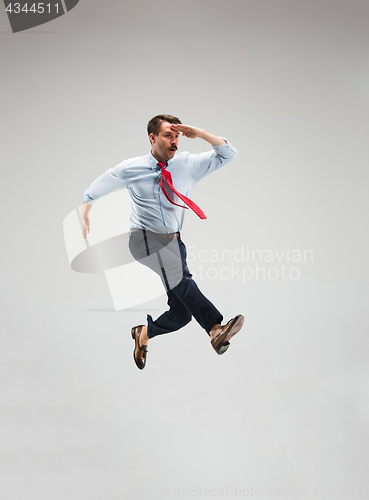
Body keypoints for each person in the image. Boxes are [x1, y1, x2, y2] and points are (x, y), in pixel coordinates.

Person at [81, 114, 244, 370]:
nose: (175, 141)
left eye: (177, 136)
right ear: (152, 137)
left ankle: (144, 333)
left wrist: (200, 133)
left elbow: (228, 153)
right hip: (143, 239)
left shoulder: (187, 165)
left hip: (173, 243)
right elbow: (100, 186)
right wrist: (85, 209)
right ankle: (215, 328)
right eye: (169, 135)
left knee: (181, 314)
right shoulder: (131, 168)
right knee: (182, 280)